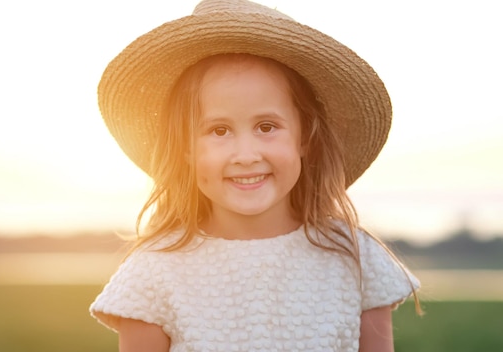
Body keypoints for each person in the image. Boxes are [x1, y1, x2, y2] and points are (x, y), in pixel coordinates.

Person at [90, 0, 421, 351]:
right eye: (219, 130)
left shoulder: (355, 259)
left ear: (305, 137)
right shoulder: (152, 273)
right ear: (184, 148)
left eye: (266, 126)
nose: (246, 155)